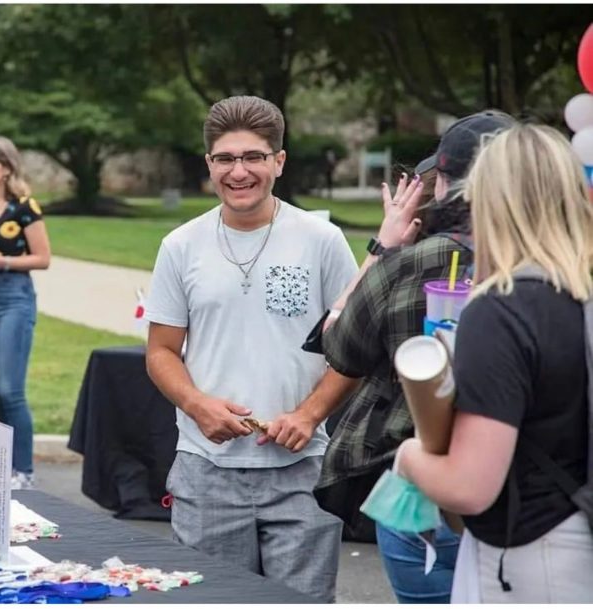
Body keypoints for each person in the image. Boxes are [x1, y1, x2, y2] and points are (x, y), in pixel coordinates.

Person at [283, 110, 515, 603]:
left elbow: (337, 344)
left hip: (420, 494)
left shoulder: (409, 264)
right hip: (524, 495)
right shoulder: (552, 261)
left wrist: (382, 247)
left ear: (444, 184)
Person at [144, 95, 358, 602]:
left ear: (279, 162)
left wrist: (308, 414)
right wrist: (197, 406)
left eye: (254, 157)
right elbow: (161, 352)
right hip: (205, 472)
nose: (239, 172)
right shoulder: (181, 245)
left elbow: (353, 351)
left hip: (303, 470)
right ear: (209, 165)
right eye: (225, 159)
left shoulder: (321, 240)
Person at [397, 123, 593, 602]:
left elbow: (469, 486)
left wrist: (409, 458)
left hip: (529, 553)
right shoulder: (579, 293)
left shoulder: (501, 309)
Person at [0, 135, 51, 490]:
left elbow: (43, 258)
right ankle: (3, 469)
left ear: (6, 168)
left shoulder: (24, 207)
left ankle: (24, 472)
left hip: (15, 297)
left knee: (11, 389)